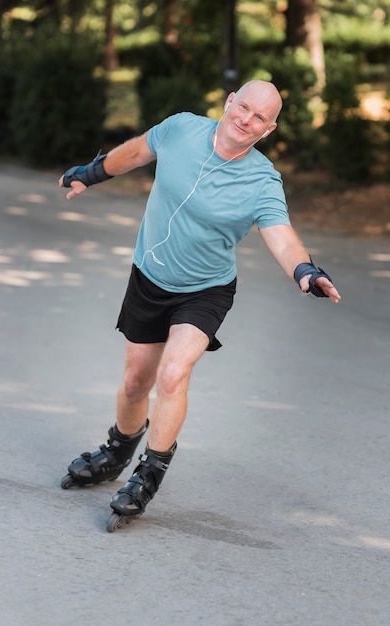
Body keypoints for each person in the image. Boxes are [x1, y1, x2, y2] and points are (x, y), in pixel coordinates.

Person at [59, 80, 341, 531]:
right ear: (229, 103)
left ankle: (148, 474)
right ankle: (118, 450)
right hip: (149, 277)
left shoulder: (262, 180)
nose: (246, 120)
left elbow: (281, 235)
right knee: (135, 381)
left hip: (205, 291)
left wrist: (305, 271)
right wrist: (90, 173)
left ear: (268, 130)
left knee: (173, 373)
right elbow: (134, 152)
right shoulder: (181, 129)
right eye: (243, 107)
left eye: (259, 118)